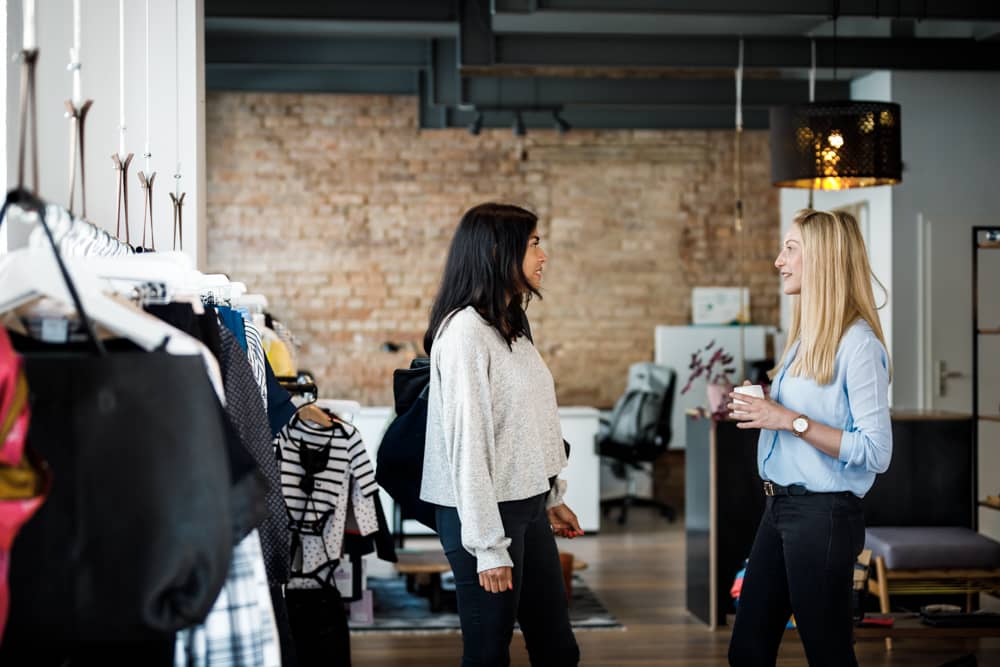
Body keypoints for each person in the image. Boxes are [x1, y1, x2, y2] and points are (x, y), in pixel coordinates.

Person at [727, 208, 892, 667]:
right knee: (748, 650)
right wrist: (767, 409)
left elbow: (876, 451)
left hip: (823, 515)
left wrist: (788, 419)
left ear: (822, 259)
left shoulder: (858, 345)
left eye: (790, 249)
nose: (779, 260)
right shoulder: (804, 338)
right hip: (779, 509)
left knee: (828, 653)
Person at [420, 203, 582, 667]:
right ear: (497, 251)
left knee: (557, 650)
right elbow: (468, 446)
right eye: (534, 243)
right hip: (482, 517)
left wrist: (552, 496)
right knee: (489, 654)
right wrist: (489, 548)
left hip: (526, 505)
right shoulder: (464, 333)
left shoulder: (510, 324)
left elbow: (532, 419)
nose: (544, 255)